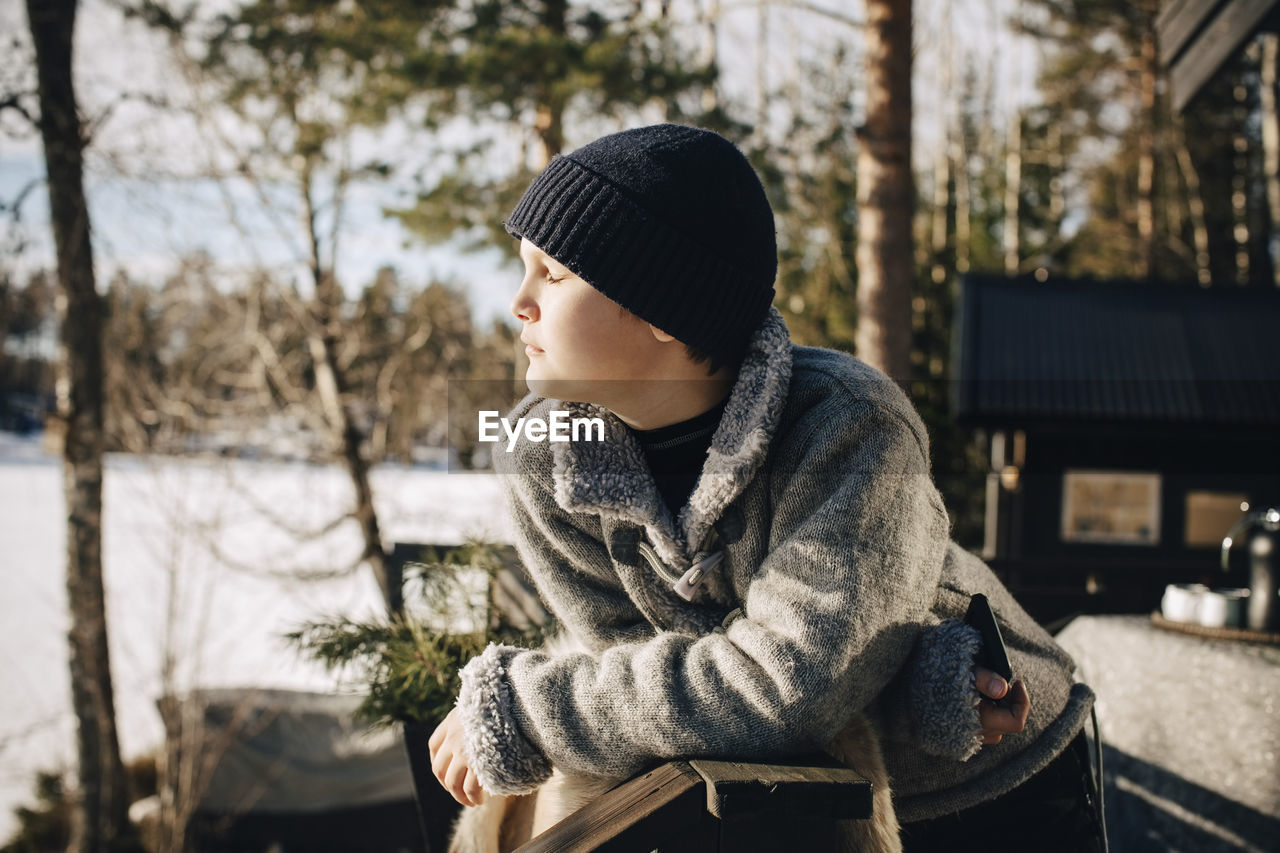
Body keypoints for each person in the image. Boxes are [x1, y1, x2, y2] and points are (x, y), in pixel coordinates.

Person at [428, 124, 1104, 851]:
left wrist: (535, 706)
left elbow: (783, 689)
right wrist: (857, 680)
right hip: (776, 802)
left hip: (985, 790)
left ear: (664, 304)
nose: (517, 303)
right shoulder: (544, 455)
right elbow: (639, 678)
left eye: (552, 274)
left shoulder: (848, 427)